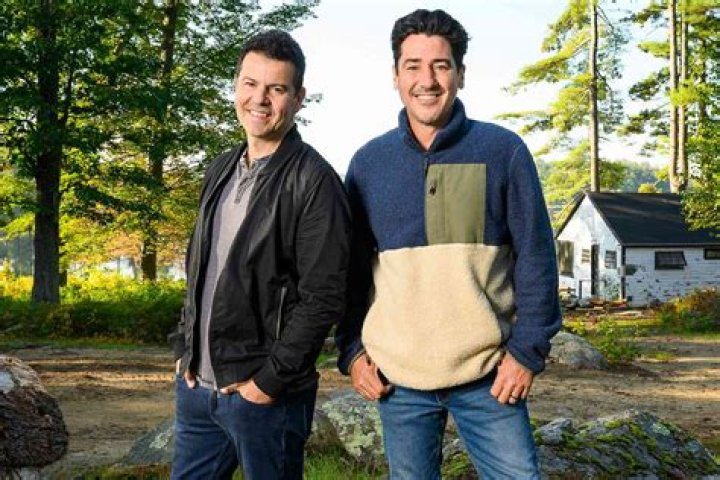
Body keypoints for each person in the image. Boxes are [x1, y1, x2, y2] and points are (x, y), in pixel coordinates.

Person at [336, 9, 562, 479]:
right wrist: (352, 351)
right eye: (413, 66)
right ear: (395, 76)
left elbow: (537, 258)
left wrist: (527, 353)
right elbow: (349, 273)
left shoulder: (503, 151)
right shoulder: (368, 164)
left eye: (441, 65)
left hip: (489, 377)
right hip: (398, 382)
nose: (427, 80)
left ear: (460, 74)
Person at [169, 29, 351, 480]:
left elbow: (324, 297)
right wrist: (184, 349)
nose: (260, 99)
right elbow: (201, 269)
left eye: (277, 88)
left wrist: (269, 382)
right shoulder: (220, 168)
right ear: (236, 87)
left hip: (265, 398)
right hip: (198, 392)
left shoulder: (315, 181)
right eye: (250, 84)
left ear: (298, 98)